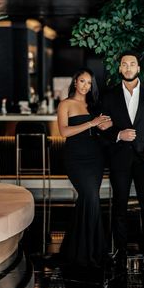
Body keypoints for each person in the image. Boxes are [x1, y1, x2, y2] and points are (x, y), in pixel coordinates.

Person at [99, 50, 144, 269]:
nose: (128, 67)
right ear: (120, 68)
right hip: (119, 158)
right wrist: (119, 134)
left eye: (132, 64)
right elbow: (101, 128)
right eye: (124, 64)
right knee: (119, 205)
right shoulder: (109, 96)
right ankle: (120, 251)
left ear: (138, 68)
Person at [57, 68, 112, 268]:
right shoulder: (66, 104)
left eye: (89, 83)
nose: (85, 86)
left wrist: (106, 123)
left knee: (90, 199)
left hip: (95, 157)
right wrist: (91, 123)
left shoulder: (94, 105)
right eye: (82, 81)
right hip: (76, 159)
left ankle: (81, 251)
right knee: (90, 196)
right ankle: (88, 253)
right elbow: (64, 132)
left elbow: (104, 126)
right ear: (75, 82)